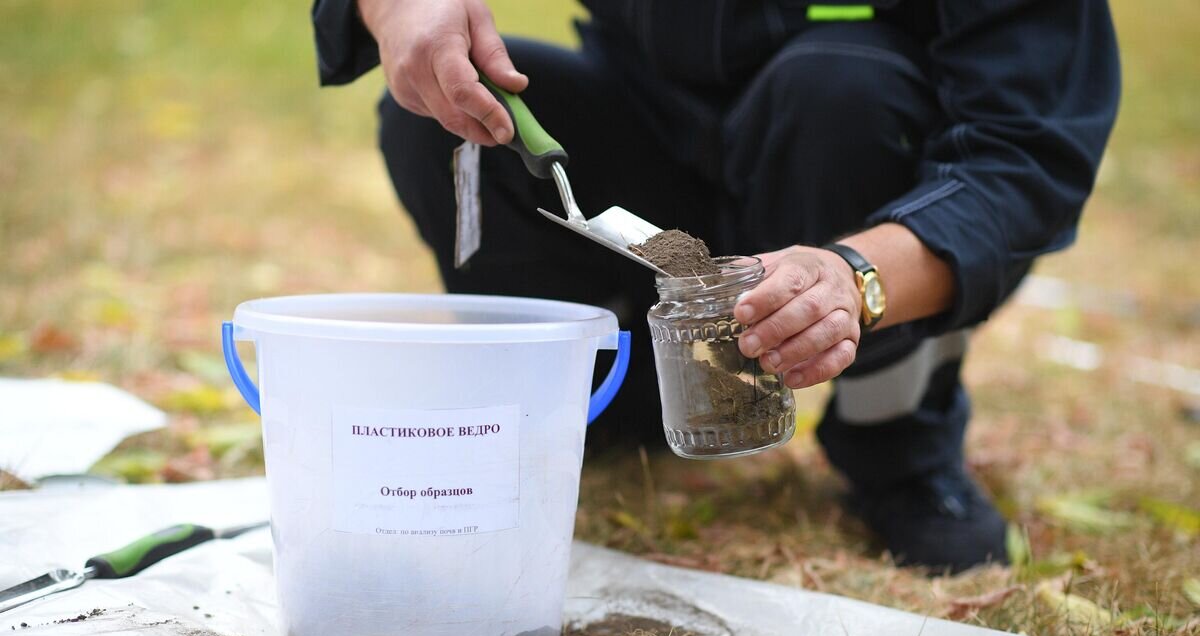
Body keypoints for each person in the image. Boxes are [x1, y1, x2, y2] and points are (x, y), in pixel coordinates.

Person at [310, 0, 1120, 572]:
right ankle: (606, 403)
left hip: (858, 173)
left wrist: (854, 275)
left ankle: (894, 429)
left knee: (840, 89)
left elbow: (1024, 151)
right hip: (654, 121)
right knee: (445, 121)